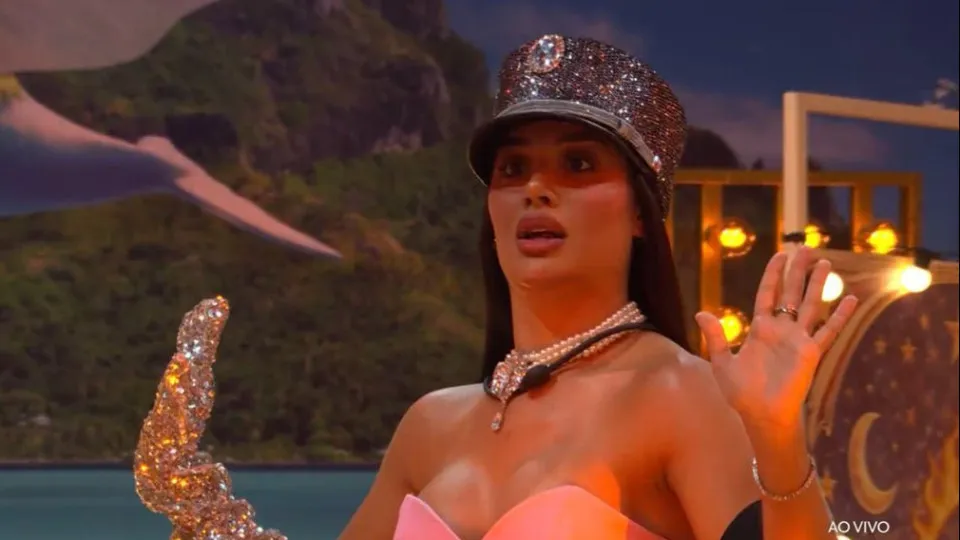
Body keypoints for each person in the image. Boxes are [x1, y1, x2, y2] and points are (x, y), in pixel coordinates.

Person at [133, 35, 858, 539]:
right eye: (513, 170)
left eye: (578, 165)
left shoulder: (679, 393)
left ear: (641, 212)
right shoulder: (431, 423)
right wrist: (206, 513)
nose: (537, 188)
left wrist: (777, 440)